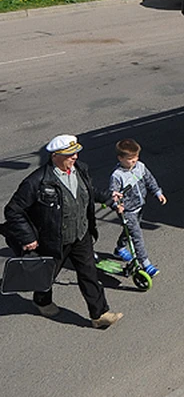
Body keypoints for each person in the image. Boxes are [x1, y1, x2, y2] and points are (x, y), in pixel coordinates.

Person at [2, 135, 124, 328]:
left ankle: (99, 314)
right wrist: (28, 237)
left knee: (89, 273)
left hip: (81, 234)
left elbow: (88, 191)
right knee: (47, 275)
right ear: (55, 156)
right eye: (69, 154)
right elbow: (13, 210)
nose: (74, 157)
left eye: (75, 152)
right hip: (53, 239)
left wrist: (109, 198)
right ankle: (41, 301)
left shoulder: (80, 170)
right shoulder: (37, 181)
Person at [108, 138, 166, 277]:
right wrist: (117, 205)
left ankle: (120, 248)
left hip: (140, 207)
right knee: (137, 236)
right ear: (120, 158)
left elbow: (149, 179)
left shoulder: (140, 166)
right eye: (130, 159)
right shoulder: (117, 176)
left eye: (136, 158)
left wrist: (157, 192)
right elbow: (113, 195)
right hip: (127, 211)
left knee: (129, 231)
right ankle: (145, 263)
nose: (134, 161)